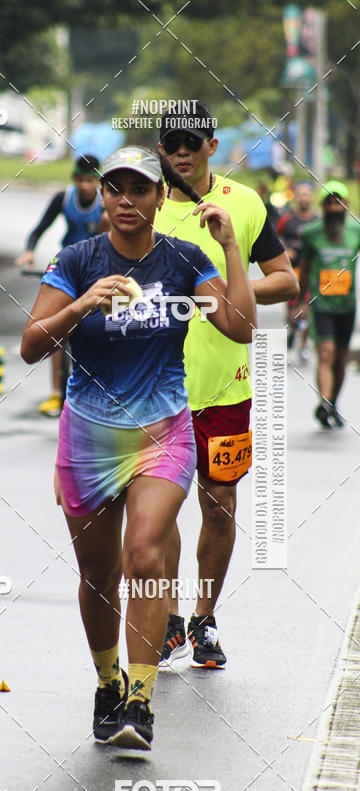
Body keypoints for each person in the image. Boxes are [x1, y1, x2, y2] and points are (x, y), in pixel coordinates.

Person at [21, 146, 256, 749]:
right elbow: (30, 345)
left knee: (145, 556)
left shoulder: (182, 259)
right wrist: (82, 304)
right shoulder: (77, 260)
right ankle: (107, 683)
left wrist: (231, 248)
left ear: (158, 197)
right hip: (89, 434)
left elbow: (240, 326)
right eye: (115, 189)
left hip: (162, 433)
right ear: (103, 196)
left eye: (140, 190)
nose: (127, 200)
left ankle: (140, 701)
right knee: (97, 572)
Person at [154, 103, 298, 669]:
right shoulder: (142, 201)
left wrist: (225, 295)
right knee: (157, 510)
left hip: (225, 389)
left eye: (191, 142)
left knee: (220, 506)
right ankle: (165, 621)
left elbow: (285, 280)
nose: (180, 153)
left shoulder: (243, 203)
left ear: (212, 144)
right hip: (156, 386)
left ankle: (203, 619)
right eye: (171, 144)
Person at [16, 155, 104, 416]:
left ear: (98, 182)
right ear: (73, 179)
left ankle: (97, 391)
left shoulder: (106, 203)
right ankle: (57, 394)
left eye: (90, 181)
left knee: (97, 331)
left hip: (96, 274)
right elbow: (38, 229)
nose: (85, 186)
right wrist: (29, 252)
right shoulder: (63, 199)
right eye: (80, 180)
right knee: (57, 333)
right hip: (68, 270)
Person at [298, 180, 360, 428]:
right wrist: (300, 301)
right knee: (326, 353)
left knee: (341, 357)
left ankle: (333, 402)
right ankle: (324, 401)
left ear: (347, 204)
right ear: (322, 206)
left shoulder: (356, 231)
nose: (334, 207)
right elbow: (303, 270)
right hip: (320, 304)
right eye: (329, 202)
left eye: (338, 202)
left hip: (347, 306)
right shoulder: (311, 233)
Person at [277, 182, 319, 362]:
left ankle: (303, 345)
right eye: (300, 194)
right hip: (292, 270)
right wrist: (284, 250)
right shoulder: (287, 219)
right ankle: (293, 329)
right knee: (292, 309)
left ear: (311, 197)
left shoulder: (317, 220)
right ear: (296, 197)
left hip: (311, 271)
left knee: (309, 308)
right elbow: (275, 239)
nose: (304, 197)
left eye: (306, 194)